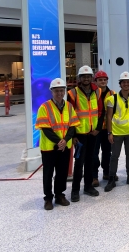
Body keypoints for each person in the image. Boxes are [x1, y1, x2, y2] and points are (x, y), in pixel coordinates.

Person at [36, 78, 79, 210]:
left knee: (62, 172)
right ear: (51, 91)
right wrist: (59, 141)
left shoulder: (69, 106)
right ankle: (48, 197)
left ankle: (59, 195)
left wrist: (65, 141)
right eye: (56, 91)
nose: (59, 93)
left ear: (65, 91)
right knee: (48, 173)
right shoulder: (44, 107)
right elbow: (45, 128)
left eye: (61, 90)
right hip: (49, 147)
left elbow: (72, 126)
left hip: (64, 147)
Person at [67, 65, 102, 202]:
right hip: (80, 134)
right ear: (80, 78)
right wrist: (74, 135)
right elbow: (69, 115)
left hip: (93, 133)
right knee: (79, 162)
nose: (86, 78)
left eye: (88, 76)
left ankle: (88, 187)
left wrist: (98, 128)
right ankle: (75, 190)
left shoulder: (97, 91)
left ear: (91, 78)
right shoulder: (73, 93)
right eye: (83, 76)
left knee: (90, 160)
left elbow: (100, 112)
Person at [104, 71, 129, 192]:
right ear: (120, 84)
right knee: (114, 156)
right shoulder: (112, 99)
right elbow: (108, 117)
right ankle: (111, 178)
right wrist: (109, 133)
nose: (126, 84)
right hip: (117, 132)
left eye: (128, 82)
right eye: (123, 82)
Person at [92, 70, 117, 187]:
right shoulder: (92, 94)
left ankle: (107, 172)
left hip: (108, 129)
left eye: (104, 79)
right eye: (100, 80)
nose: (102, 81)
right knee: (94, 153)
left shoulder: (113, 94)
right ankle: (94, 176)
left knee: (107, 152)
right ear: (95, 81)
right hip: (95, 130)